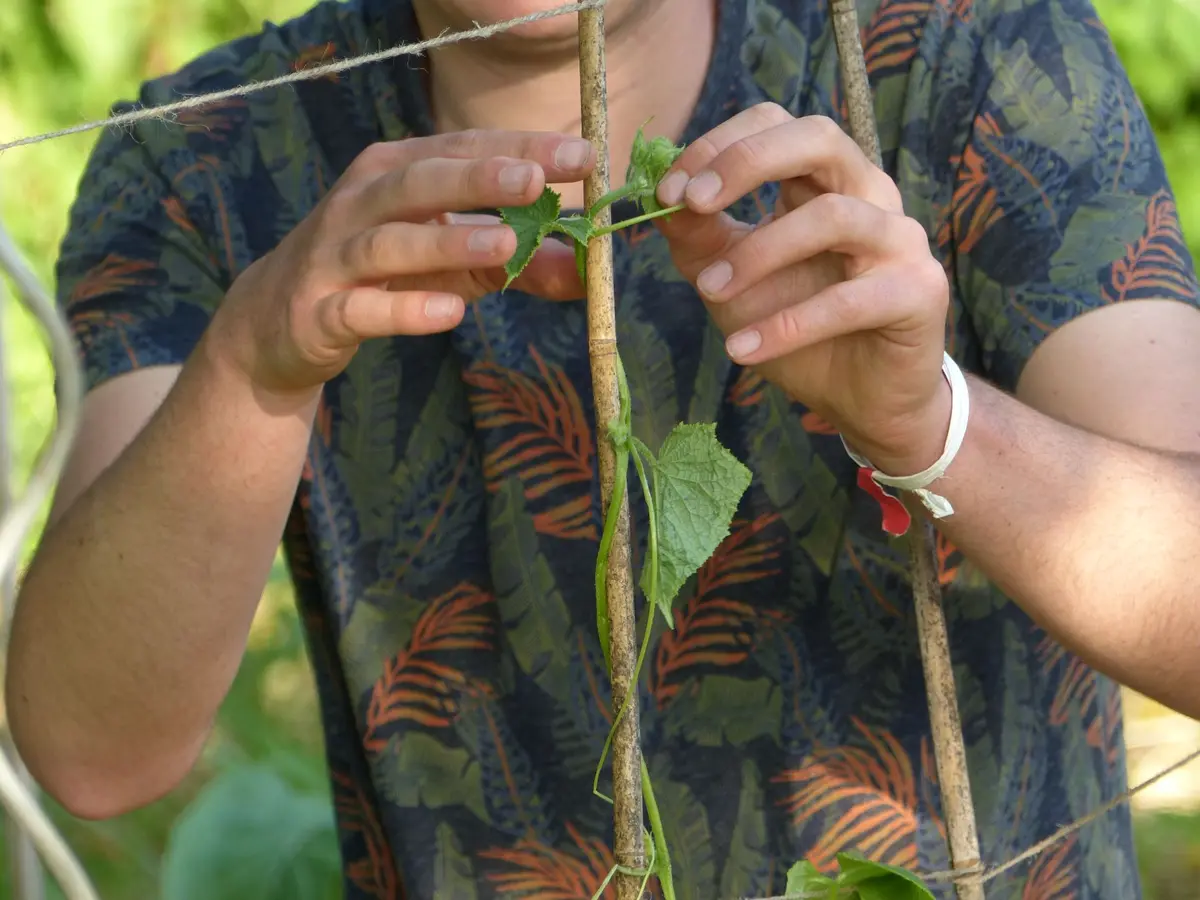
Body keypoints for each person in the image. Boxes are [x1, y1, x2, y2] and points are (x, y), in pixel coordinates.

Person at [7, 0, 1200, 895]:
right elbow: (91, 749)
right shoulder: (211, 159)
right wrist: (251, 361)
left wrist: (934, 426)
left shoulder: (970, 53)